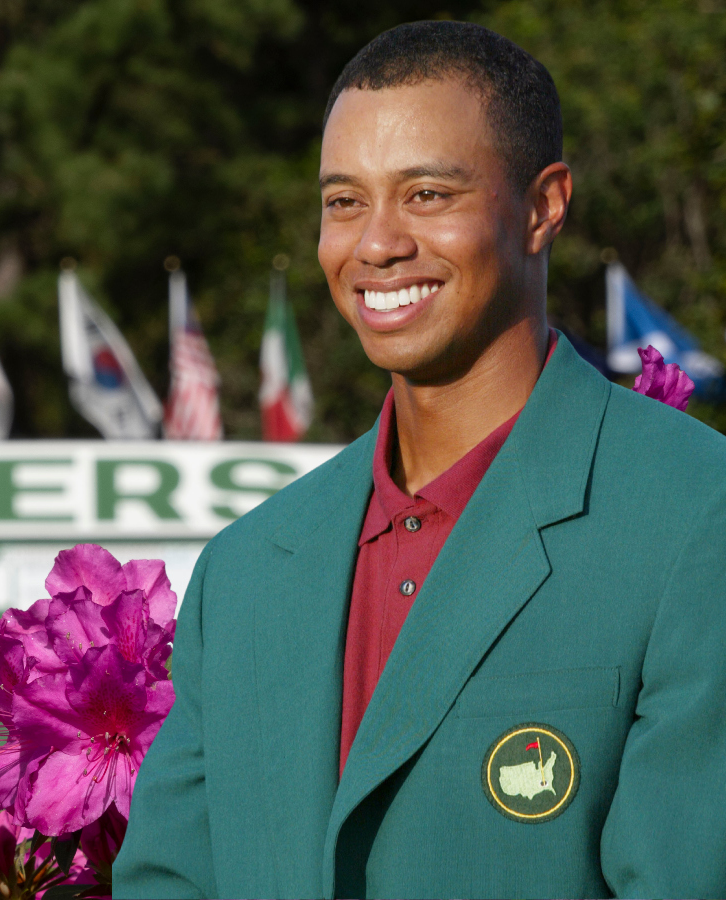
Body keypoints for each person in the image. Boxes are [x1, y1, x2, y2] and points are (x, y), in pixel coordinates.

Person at [116, 20, 726, 899]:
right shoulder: (246, 571)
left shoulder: (692, 517)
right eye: (343, 201)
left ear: (544, 205)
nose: (376, 243)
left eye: (428, 194)